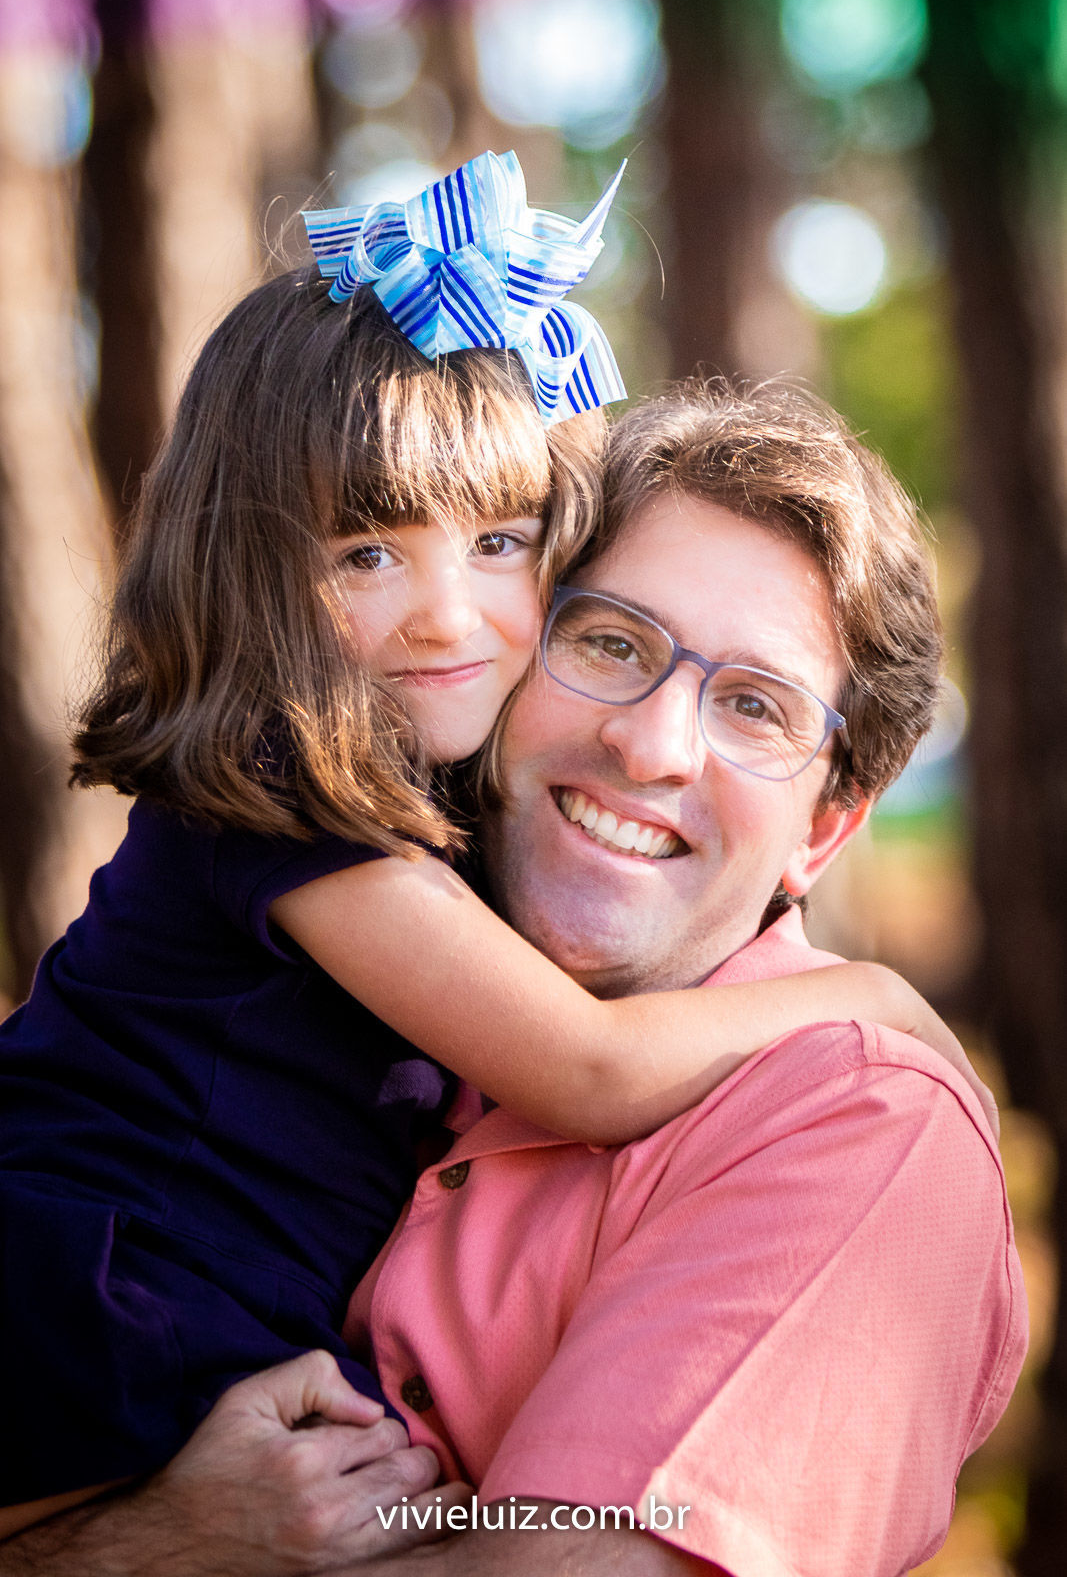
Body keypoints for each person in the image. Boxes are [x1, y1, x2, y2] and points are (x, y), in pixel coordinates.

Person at [0, 154, 964, 1540]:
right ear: (252, 568)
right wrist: (874, 993)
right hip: (110, 1287)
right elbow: (587, 1069)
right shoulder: (285, 783)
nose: (448, 616)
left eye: (502, 542)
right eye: (365, 553)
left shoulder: (847, 1133)